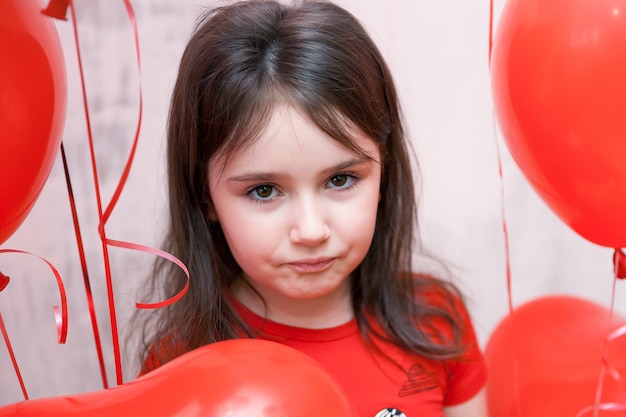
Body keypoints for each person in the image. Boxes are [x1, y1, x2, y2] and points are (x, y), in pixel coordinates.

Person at [132, 1, 488, 415]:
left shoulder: (434, 321)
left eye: (340, 180)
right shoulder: (179, 366)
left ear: (383, 172)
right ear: (206, 197)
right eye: (264, 191)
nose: (312, 229)